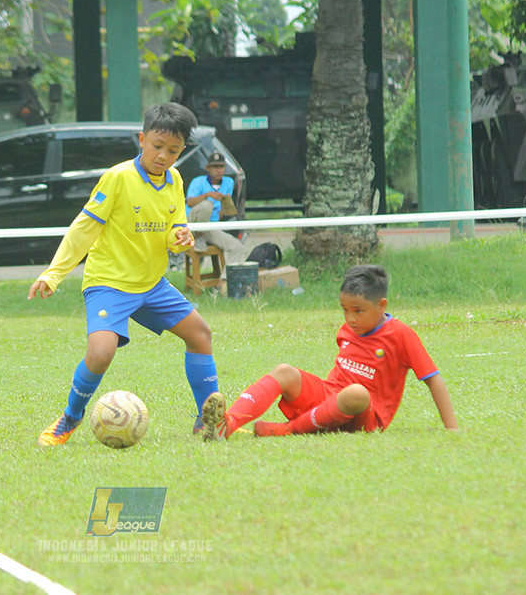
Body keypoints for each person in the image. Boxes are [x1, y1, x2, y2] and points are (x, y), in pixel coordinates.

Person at [29, 103, 221, 446]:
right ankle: (69, 419)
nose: (163, 156)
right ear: (142, 139)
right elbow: (83, 229)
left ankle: (206, 420)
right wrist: (53, 274)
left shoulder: (174, 180)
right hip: (109, 284)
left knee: (200, 334)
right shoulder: (118, 178)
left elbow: (174, 229)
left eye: (173, 151)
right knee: (101, 353)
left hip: (151, 285)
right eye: (157, 147)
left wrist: (181, 238)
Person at [201, 264, 458, 440]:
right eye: (344, 309)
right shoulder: (347, 330)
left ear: (382, 306)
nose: (350, 318)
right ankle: (228, 424)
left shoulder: (401, 335)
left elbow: (433, 379)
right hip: (329, 398)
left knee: (357, 392)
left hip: (365, 415)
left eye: (358, 310)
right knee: (284, 372)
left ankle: (285, 430)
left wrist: (452, 429)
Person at [185, 151, 248, 268]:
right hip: (192, 225)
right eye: (215, 167)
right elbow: (189, 202)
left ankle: (223, 283)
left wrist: (226, 207)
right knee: (207, 205)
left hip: (209, 226)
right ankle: (199, 237)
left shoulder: (228, 182)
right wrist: (207, 195)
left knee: (237, 247)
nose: (219, 170)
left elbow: (224, 208)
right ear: (208, 168)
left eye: (221, 166)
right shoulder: (198, 181)